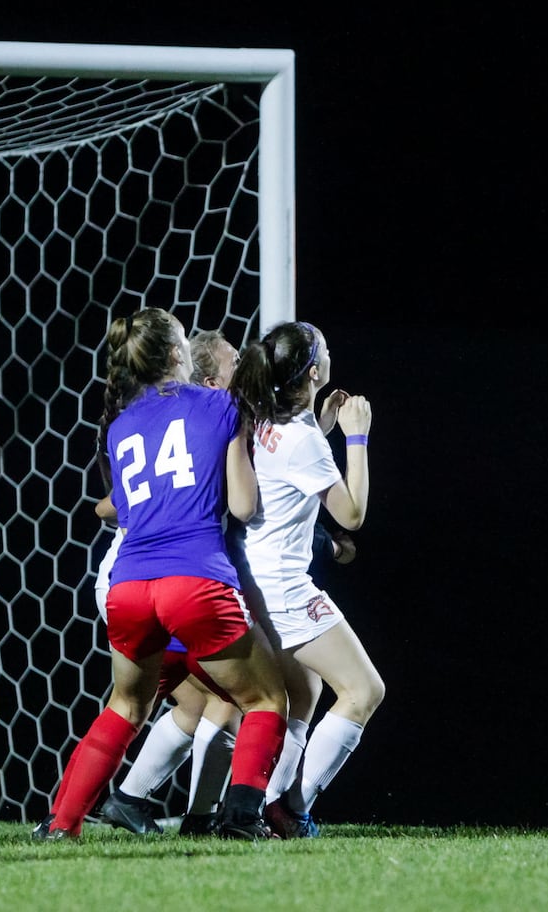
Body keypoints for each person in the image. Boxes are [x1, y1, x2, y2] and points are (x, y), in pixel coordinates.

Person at [36, 308, 287, 841]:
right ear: (178, 356)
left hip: (128, 586)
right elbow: (242, 506)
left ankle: (63, 823)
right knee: (265, 698)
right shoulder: (222, 405)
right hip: (194, 578)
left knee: (126, 705)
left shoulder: (121, 425)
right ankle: (241, 820)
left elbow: (124, 512)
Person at [229, 319, 380, 839]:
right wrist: (357, 436)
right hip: (285, 588)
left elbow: (293, 465)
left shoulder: (273, 419)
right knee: (363, 690)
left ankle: (264, 805)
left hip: (255, 578)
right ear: (314, 370)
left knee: (305, 694)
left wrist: (322, 423)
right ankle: (291, 808)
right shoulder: (303, 440)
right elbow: (352, 513)